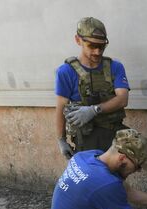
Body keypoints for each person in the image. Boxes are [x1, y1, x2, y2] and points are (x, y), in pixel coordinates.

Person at [55, 17, 130, 159]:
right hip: (86, 140)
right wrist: (61, 140)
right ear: (78, 40)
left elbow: (122, 99)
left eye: (101, 46)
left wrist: (93, 110)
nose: (97, 51)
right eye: (91, 46)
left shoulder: (115, 67)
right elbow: (60, 107)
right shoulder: (66, 72)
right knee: (92, 178)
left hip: (113, 135)